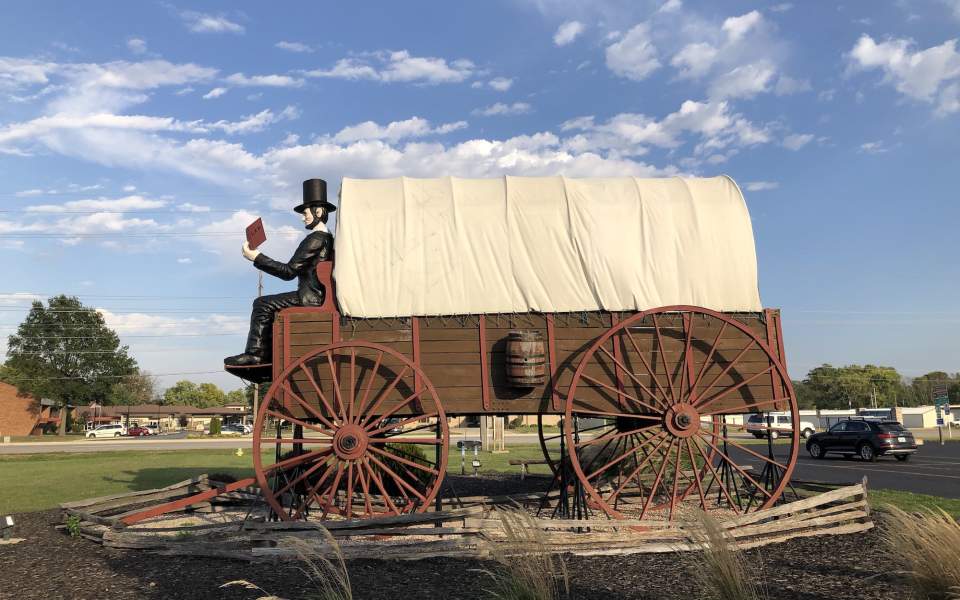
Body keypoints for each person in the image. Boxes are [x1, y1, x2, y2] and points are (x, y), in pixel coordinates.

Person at [224, 178, 336, 367]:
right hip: (317, 295)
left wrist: (257, 257)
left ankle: (256, 355)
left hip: (309, 298)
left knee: (262, 304)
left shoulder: (315, 239)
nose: (303, 218)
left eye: (305, 213)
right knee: (266, 303)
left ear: (318, 212)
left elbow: (288, 272)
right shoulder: (327, 238)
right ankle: (267, 354)